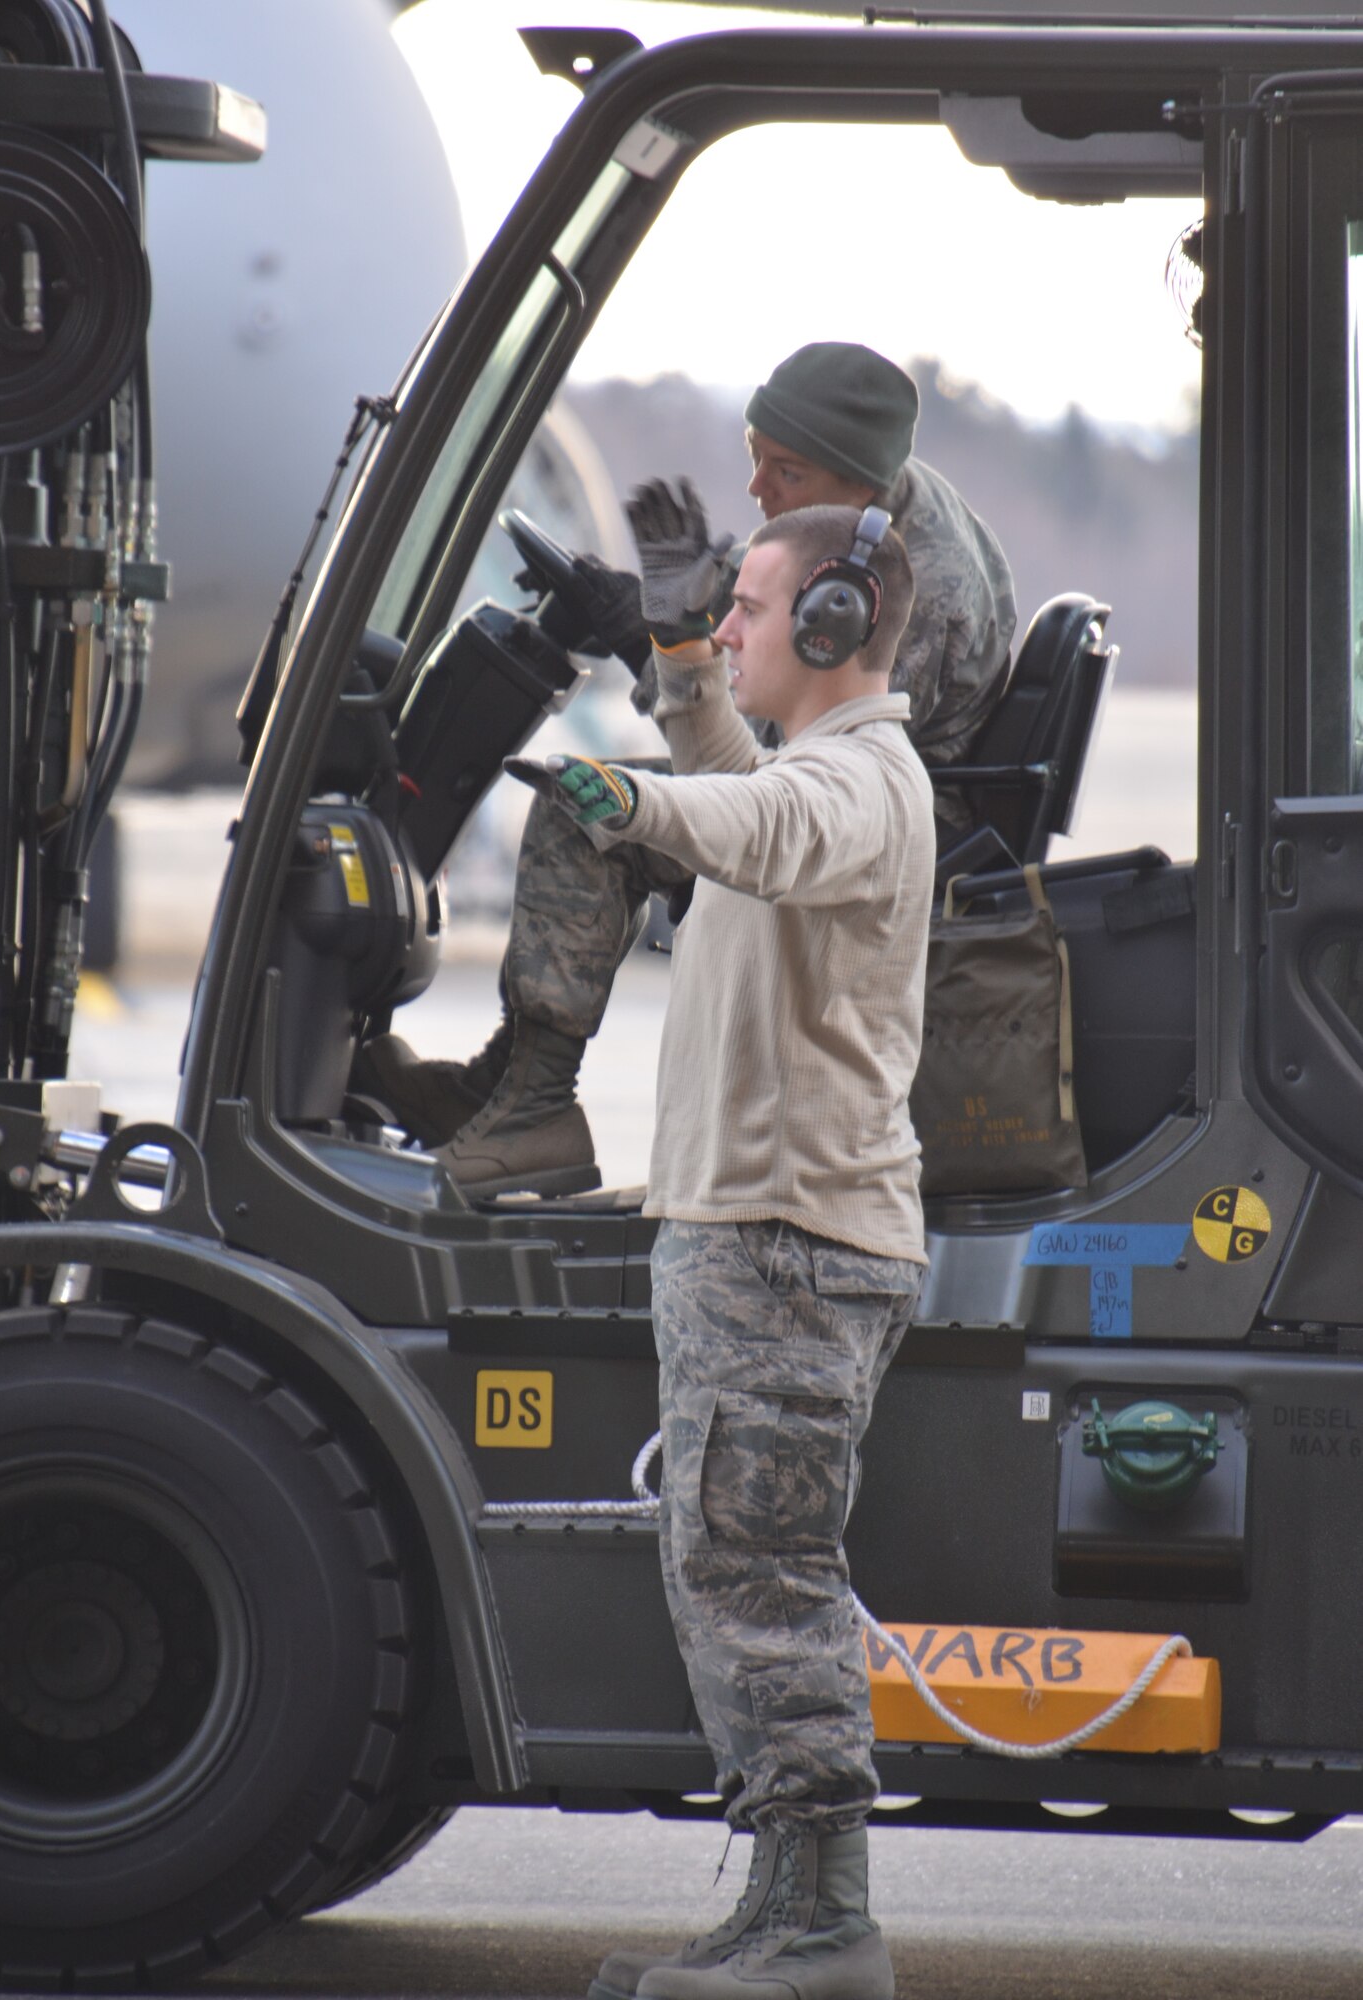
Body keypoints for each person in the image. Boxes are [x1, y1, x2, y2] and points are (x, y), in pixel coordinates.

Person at [530, 500, 931, 2000]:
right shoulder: (823, 774)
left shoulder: (860, 789)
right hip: (759, 1236)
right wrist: (683, 665)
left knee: (761, 1584)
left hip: (784, 1243)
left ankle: (824, 1931)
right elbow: (737, 784)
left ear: (833, 631)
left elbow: (747, 826)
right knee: (734, 1572)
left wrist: (619, 802)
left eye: (755, 611)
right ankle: (779, 1916)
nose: (739, 629)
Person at [354, 342, 1014, 1194]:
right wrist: (654, 609)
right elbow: (774, 615)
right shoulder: (864, 517)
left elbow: (779, 758)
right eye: (754, 456)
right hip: (837, 794)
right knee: (598, 797)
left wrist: (653, 638)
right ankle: (512, 1081)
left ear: (854, 479)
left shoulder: (915, 590)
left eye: (785, 471)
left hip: (862, 838)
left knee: (591, 813)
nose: (757, 489)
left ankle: (533, 1107)